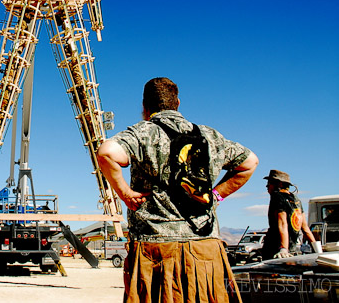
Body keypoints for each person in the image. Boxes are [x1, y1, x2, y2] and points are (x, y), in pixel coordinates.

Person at [97, 77, 259, 303]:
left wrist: (125, 193)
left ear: (145, 107)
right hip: (206, 248)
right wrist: (216, 195)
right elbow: (249, 162)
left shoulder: (144, 132)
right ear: (178, 103)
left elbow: (106, 152)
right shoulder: (208, 135)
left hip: (156, 251)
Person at [260, 169, 318, 259]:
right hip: (292, 249)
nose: (267, 186)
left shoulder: (277, 196)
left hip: (275, 249)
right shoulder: (296, 200)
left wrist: (283, 248)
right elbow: (305, 228)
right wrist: (317, 249)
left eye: (269, 183)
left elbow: (282, 223)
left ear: (279, 184)